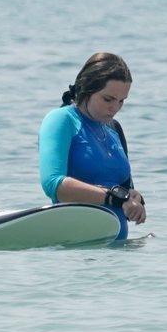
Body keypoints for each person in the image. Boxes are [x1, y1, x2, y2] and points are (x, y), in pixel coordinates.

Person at [39, 52, 145, 238]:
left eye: (122, 101)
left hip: (117, 255)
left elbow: (124, 190)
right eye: (108, 99)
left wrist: (135, 200)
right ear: (87, 89)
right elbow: (54, 184)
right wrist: (112, 197)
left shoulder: (114, 129)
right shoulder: (61, 120)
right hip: (73, 249)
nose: (116, 108)